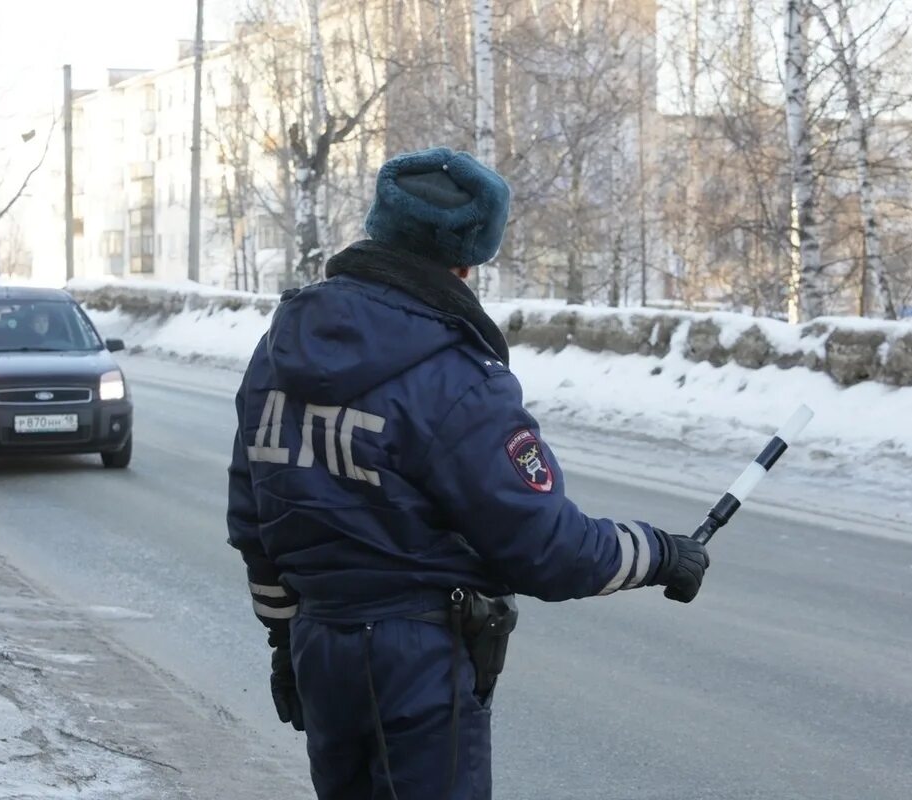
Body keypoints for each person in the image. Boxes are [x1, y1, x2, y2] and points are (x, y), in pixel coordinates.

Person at [226, 147, 710, 800]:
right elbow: (547, 549)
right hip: (417, 663)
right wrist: (659, 553)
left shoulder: (278, 351)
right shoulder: (456, 378)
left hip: (322, 648)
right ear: (466, 260)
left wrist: (286, 643)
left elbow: (255, 519)